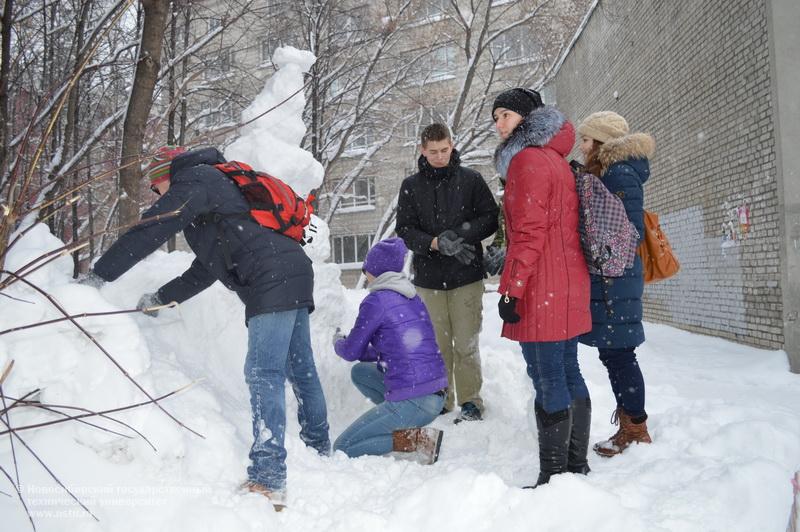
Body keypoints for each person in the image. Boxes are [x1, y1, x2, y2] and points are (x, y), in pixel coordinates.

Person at [81, 146, 330, 510]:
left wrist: (97, 277)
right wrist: (160, 299)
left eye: (154, 187)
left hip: (270, 278)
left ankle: (268, 477)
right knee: (300, 369)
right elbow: (205, 270)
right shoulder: (216, 194)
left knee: (264, 373)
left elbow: (150, 229)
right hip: (291, 271)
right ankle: (319, 450)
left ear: (165, 175)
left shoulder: (196, 179)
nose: (155, 195)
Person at [492, 88, 592, 486]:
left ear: (527, 118)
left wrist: (512, 288)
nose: (499, 123)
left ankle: (554, 476)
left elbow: (529, 233)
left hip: (541, 286)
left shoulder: (526, 160)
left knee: (548, 376)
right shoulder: (556, 159)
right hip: (566, 283)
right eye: (495, 117)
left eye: (505, 115)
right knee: (568, 372)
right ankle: (575, 466)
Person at [395, 123, 499, 422]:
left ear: (452, 145)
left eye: (444, 150)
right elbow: (404, 229)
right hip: (428, 278)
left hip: (466, 275)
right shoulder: (411, 186)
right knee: (437, 344)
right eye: (433, 152)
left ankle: (471, 401)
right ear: (422, 151)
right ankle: (441, 397)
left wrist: (460, 234)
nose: (440, 157)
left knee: (466, 342)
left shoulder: (471, 180)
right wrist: (435, 243)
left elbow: (490, 218)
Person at [576, 111, 655, 457]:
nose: (582, 146)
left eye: (586, 139)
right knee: (616, 354)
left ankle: (635, 428)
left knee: (620, 355)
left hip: (615, 279)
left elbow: (625, 231)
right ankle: (630, 423)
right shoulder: (613, 172)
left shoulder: (619, 173)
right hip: (614, 277)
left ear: (601, 142)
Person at [333, 238, 447, 464]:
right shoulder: (412, 296)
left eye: (366, 268)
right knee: (360, 373)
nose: (365, 273)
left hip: (415, 398)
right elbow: (392, 349)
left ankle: (420, 440)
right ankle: (397, 420)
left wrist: (337, 340)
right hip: (436, 394)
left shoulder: (375, 301)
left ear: (375, 270)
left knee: (343, 447)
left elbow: (349, 352)